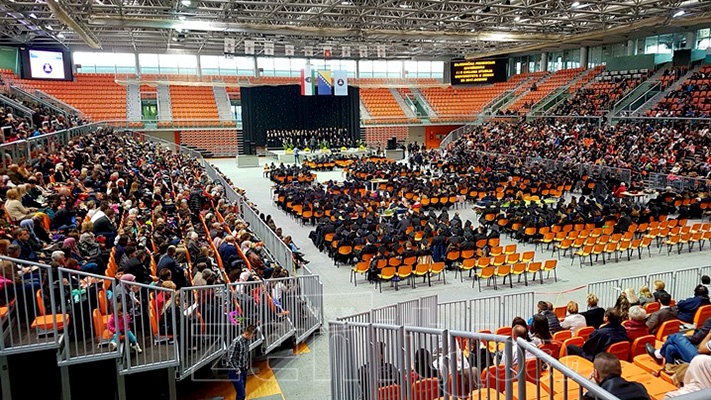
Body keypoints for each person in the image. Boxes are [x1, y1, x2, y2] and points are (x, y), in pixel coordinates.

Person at [582, 352, 651, 400]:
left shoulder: (598, 395)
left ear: (595, 374)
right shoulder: (639, 387)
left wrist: (590, 388)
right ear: (620, 371)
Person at [647, 317, 711, 364]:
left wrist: (709, 334)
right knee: (670, 347)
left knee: (676, 337)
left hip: (701, 361)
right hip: (704, 357)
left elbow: (701, 349)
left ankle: (658, 354)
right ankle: (669, 368)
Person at [227, 324, 257, 400]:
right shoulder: (236, 342)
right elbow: (230, 359)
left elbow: (245, 354)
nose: (253, 337)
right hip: (235, 371)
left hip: (243, 369)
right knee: (241, 394)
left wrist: (246, 366)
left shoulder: (247, 341)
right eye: (253, 335)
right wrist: (237, 370)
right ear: (248, 333)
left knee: (241, 392)